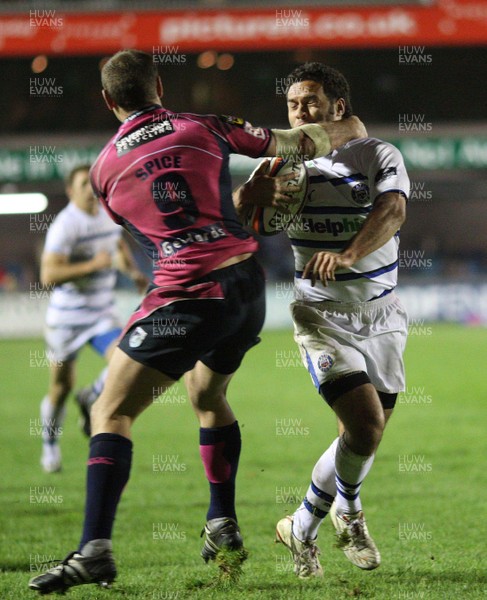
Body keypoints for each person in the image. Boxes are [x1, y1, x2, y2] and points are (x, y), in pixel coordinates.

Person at [28, 50, 366, 594]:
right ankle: (221, 521)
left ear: (109, 100)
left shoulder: (103, 171)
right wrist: (345, 126)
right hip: (245, 287)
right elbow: (293, 144)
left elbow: (164, 239)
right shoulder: (202, 125)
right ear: (160, 85)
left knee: (107, 410)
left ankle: (94, 550)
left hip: (190, 294)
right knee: (207, 397)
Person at [234, 62, 409, 578]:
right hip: (320, 315)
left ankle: (301, 527)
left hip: (382, 314)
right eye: (292, 104)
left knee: (362, 439)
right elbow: (241, 217)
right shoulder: (284, 168)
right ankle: (349, 511)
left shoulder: (377, 153)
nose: (299, 112)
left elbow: (394, 210)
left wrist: (351, 252)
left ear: (339, 107)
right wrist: (248, 201)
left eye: (310, 102)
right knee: (365, 422)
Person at [39, 164, 146, 473]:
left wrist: (133, 272)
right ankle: (49, 444)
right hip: (67, 320)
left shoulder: (107, 213)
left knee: (126, 359)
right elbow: (48, 275)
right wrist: (92, 265)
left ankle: (92, 394)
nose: (91, 189)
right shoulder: (65, 225)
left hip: (101, 314)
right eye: (83, 184)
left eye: (92, 183)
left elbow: (117, 245)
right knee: (60, 389)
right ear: (72, 191)